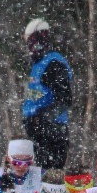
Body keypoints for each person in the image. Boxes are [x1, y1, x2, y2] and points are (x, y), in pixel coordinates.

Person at [21, 19, 73, 170]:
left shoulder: (53, 64)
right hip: (38, 134)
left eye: (30, 41)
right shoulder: (38, 64)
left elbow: (65, 99)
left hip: (52, 134)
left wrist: (42, 119)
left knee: (48, 179)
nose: (29, 47)